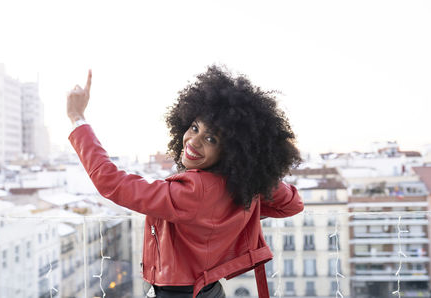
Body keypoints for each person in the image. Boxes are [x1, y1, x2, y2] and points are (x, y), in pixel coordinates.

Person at [67, 66, 304, 298]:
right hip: (211, 290)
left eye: (210, 139)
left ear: (232, 151)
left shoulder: (193, 191)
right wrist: (251, 175)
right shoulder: (234, 185)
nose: (193, 141)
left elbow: (111, 182)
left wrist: (77, 119)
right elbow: (292, 204)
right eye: (194, 127)